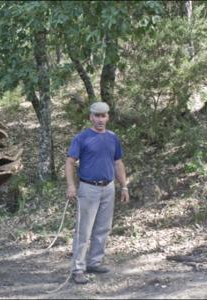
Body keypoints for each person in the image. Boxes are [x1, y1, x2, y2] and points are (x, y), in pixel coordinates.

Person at [65, 101, 129, 284]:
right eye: (97, 116)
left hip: (108, 187)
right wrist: (71, 186)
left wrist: (124, 186)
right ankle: (78, 269)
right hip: (88, 188)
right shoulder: (82, 137)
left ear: (108, 117)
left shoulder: (112, 137)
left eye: (103, 116)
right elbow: (70, 162)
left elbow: (118, 162)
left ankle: (94, 262)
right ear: (90, 117)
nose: (100, 119)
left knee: (103, 227)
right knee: (83, 230)